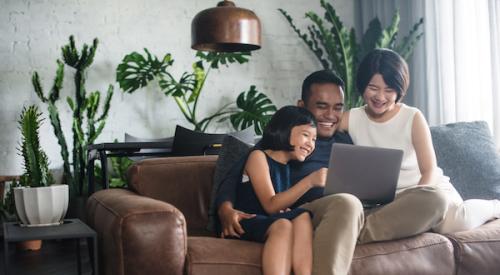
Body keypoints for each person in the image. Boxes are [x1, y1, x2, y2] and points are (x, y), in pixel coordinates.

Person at [216, 69, 447, 275]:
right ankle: (343, 230)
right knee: (346, 203)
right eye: (321, 106)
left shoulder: (346, 137)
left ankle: (346, 232)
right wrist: (225, 209)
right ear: (302, 107)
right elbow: (236, 173)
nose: (331, 115)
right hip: (315, 213)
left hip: (357, 212)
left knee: (435, 199)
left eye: (338, 108)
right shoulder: (289, 140)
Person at [339, 48, 500, 234]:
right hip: (387, 200)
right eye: (373, 88)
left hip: (427, 189)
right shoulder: (352, 118)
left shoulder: (412, 117)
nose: (380, 97)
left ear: (399, 90)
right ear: (362, 85)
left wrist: (416, 201)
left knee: (453, 224)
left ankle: (495, 206)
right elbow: (318, 127)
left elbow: (429, 170)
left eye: (389, 90)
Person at [234, 106, 321, 275]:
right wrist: (310, 181)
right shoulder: (258, 157)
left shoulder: (286, 167)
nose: (311, 144)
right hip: (245, 220)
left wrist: (284, 210)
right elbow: (270, 205)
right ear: (285, 130)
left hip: (267, 220)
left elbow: (278, 206)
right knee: (283, 225)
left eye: (314, 139)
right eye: (305, 135)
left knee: (302, 216)